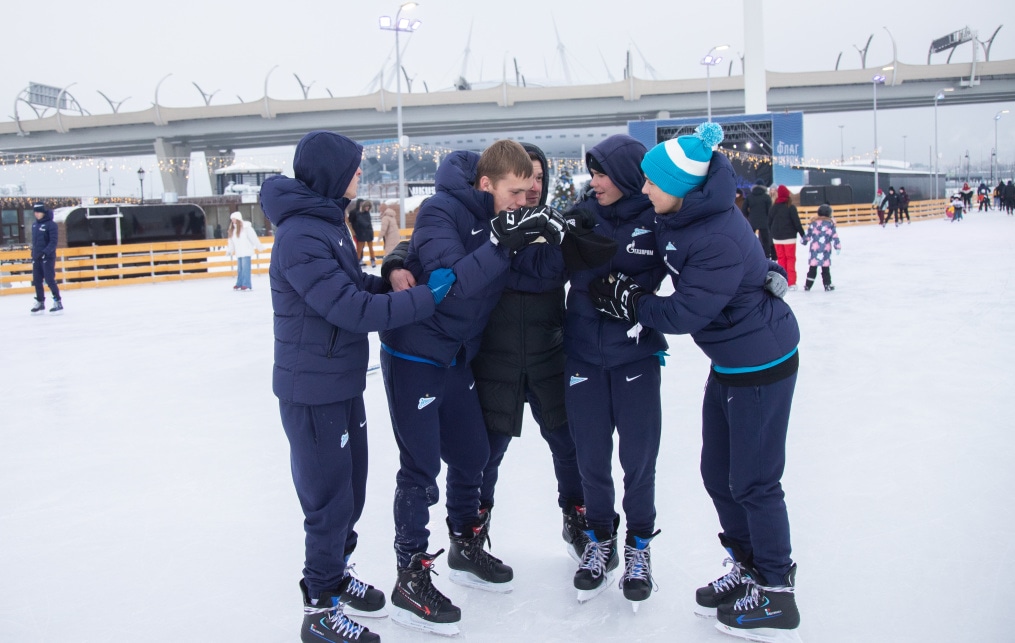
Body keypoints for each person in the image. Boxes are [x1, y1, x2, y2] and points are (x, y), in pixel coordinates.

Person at [589, 122, 802, 640]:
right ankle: (747, 567)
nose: (644, 192)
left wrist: (634, 303)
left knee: (754, 481)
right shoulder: (681, 210)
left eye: (652, 184)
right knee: (716, 474)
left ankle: (776, 592)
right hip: (729, 361)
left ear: (679, 189)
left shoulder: (714, 237)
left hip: (759, 364)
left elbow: (684, 312)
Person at [259, 130, 457, 643]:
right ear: (329, 172)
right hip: (313, 390)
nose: (358, 176)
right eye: (353, 168)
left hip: (338, 380)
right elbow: (349, 309)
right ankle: (320, 610)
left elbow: (351, 288)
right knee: (329, 501)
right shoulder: (303, 235)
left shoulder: (326, 224)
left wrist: (389, 278)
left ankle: (336, 572)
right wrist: (423, 300)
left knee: (352, 492)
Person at [378, 140, 564, 636]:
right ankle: (409, 576)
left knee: (472, 454)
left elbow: (536, 267)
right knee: (420, 467)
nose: (525, 201)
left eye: (530, 192)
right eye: (515, 192)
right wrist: (504, 241)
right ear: (486, 184)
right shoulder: (443, 210)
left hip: (456, 354)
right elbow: (451, 282)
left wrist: (565, 237)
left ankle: (465, 543)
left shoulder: (510, 217)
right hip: (416, 350)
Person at [561, 134, 670, 608]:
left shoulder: (656, 218)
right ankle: (599, 541)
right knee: (589, 457)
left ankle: (639, 547)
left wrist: (760, 267)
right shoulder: (582, 214)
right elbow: (536, 263)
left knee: (639, 459)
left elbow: (701, 258)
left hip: (635, 358)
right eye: (592, 173)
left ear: (626, 175)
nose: (595, 181)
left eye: (602, 172)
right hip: (582, 355)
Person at [471, 142, 589, 565]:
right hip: (494, 358)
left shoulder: (561, 224)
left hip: (549, 354)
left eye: (540, 178)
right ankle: (472, 530)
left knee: (568, 443)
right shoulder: (479, 222)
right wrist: (395, 263)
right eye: (527, 179)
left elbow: (559, 269)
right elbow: (427, 248)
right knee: (487, 451)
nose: (534, 188)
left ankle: (577, 517)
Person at [769, 185, 806, 290]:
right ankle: (791, 282)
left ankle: (782, 281)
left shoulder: (774, 207)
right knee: (790, 259)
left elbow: (769, 222)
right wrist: (803, 235)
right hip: (789, 238)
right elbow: (797, 223)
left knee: (781, 259)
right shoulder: (791, 207)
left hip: (777, 238)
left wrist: (772, 234)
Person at [30, 203, 62, 314]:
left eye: (38, 212)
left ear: (43, 212)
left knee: (49, 279)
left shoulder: (51, 225)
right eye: (35, 212)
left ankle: (57, 301)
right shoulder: (34, 225)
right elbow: (35, 242)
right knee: (37, 280)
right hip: (37, 257)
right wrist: (33, 253)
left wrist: (45, 253)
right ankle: (40, 301)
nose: (36, 214)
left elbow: (53, 242)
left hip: (47, 257)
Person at [802, 203, 842, 291]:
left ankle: (808, 285)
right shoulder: (829, 224)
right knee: (825, 269)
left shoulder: (813, 223)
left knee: (812, 268)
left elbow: (808, 235)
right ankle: (827, 285)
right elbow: (834, 236)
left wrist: (803, 241)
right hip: (825, 250)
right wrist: (837, 246)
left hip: (814, 249)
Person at [225, 211, 264, 291]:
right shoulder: (233, 230)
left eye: (234, 219)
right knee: (240, 269)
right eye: (232, 219)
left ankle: (246, 284)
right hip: (239, 253)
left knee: (245, 269)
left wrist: (259, 247)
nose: (232, 221)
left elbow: (254, 238)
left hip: (246, 252)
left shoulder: (246, 228)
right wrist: (229, 251)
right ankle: (239, 283)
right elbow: (231, 242)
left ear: (238, 219)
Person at [742, 179, 775, 259]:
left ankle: (750, 253)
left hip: (752, 221)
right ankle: (767, 255)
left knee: (750, 238)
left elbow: (744, 209)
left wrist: (749, 216)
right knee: (765, 239)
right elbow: (769, 210)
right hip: (764, 221)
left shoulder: (749, 197)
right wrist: (767, 218)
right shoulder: (766, 197)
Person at [350, 199, 377, 267]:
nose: (367, 208)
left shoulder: (368, 214)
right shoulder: (359, 213)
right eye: (366, 207)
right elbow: (360, 222)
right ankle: (358, 260)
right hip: (362, 233)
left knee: (371, 248)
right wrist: (367, 225)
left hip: (368, 233)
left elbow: (368, 223)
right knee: (360, 248)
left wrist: (370, 230)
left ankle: (372, 260)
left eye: (368, 207)